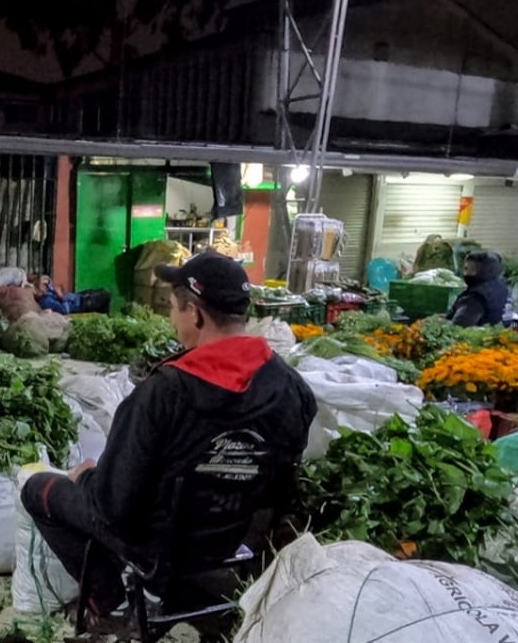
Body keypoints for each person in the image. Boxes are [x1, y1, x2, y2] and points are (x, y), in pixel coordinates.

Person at [20, 252, 316, 630]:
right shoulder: (293, 390)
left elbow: (113, 508)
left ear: (195, 313)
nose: (172, 319)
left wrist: (86, 478)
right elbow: (285, 485)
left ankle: (109, 602)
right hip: (232, 539)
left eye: (174, 308)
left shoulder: (162, 394)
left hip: (158, 546)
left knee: (39, 490)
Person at [447, 250, 509, 327]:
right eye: (466, 269)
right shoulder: (500, 287)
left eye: (472, 270)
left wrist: (441, 323)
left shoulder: (474, 298)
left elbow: (459, 325)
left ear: (485, 271)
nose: (466, 274)